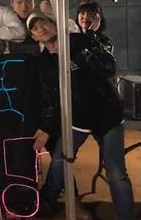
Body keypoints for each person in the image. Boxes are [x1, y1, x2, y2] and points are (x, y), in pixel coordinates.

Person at [28, 13, 134, 220]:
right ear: (33, 37)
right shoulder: (44, 63)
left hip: (106, 114)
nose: (41, 28)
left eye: (44, 23)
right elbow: (51, 98)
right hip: (76, 119)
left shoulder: (80, 42)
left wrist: (78, 53)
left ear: (55, 25)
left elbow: (108, 67)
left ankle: (126, 216)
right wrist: (47, 127)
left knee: (116, 173)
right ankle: (47, 202)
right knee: (59, 159)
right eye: (35, 28)